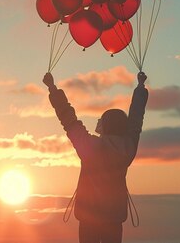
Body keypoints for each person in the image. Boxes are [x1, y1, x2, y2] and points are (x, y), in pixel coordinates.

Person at [43, 71, 149, 243]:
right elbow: (136, 118)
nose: (98, 122)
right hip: (114, 219)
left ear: (106, 125)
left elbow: (69, 119)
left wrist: (52, 88)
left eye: (101, 120)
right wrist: (140, 87)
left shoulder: (90, 147)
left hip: (88, 219)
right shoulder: (127, 148)